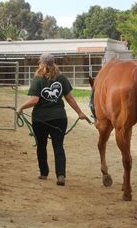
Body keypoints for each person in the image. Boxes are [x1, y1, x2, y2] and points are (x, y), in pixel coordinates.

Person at [16, 53, 88, 186]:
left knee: (41, 146)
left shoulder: (37, 79)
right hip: (59, 118)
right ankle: (61, 175)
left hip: (40, 119)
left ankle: (44, 173)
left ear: (42, 64)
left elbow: (34, 100)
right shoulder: (61, 78)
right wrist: (80, 113)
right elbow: (69, 98)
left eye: (39, 63)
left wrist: (20, 107)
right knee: (58, 146)